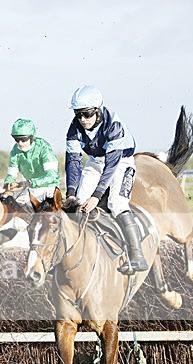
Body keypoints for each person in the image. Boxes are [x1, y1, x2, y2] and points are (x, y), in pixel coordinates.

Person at [64, 85, 147, 275]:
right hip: (96, 161)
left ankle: (137, 255)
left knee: (116, 204)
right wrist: (70, 192)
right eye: (78, 115)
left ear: (97, 110)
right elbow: (73, 162)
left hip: (120, 162)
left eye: (86, 114)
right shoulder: (74, 128)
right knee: (77, 204)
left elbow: (112, 166)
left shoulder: (113, 125)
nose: (82, 120)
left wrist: (96, 195)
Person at [4, 118, 60, 206]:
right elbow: (11, 175)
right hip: (30, 190)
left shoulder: (44, 147)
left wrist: (30, 182)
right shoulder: (15, 150)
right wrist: (8, 184)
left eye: (23, 139)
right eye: (17, 139)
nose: (20, 143)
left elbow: (52, 176)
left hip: (49, 189)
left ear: (32, 137)